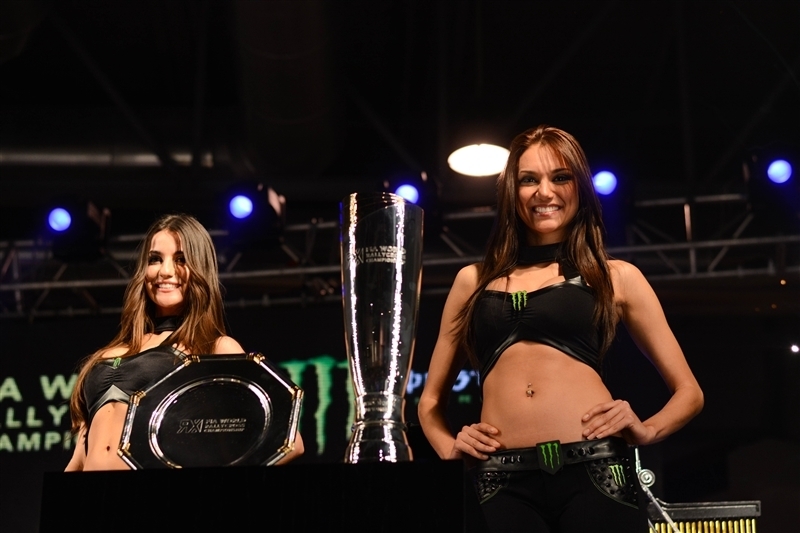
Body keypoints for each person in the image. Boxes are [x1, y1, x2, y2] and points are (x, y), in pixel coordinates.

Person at [418, 125, 703, 532]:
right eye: (528, 180)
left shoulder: (616, 277)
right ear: (511, 191)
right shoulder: (473, 281)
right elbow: (430, 400)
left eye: (560, 177)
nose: (544, 192)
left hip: (596, 471)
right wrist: (449, 448)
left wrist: (646, 429)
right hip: (499, 480)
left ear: (579, 188)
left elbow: (689, 392)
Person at [66, 213, 303, 471]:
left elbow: (290, 442)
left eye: (181, 259)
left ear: (200, 268)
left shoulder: (213, 348)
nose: (165, 271)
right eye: (155, 259)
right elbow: (80, 456)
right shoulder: (108, 353)